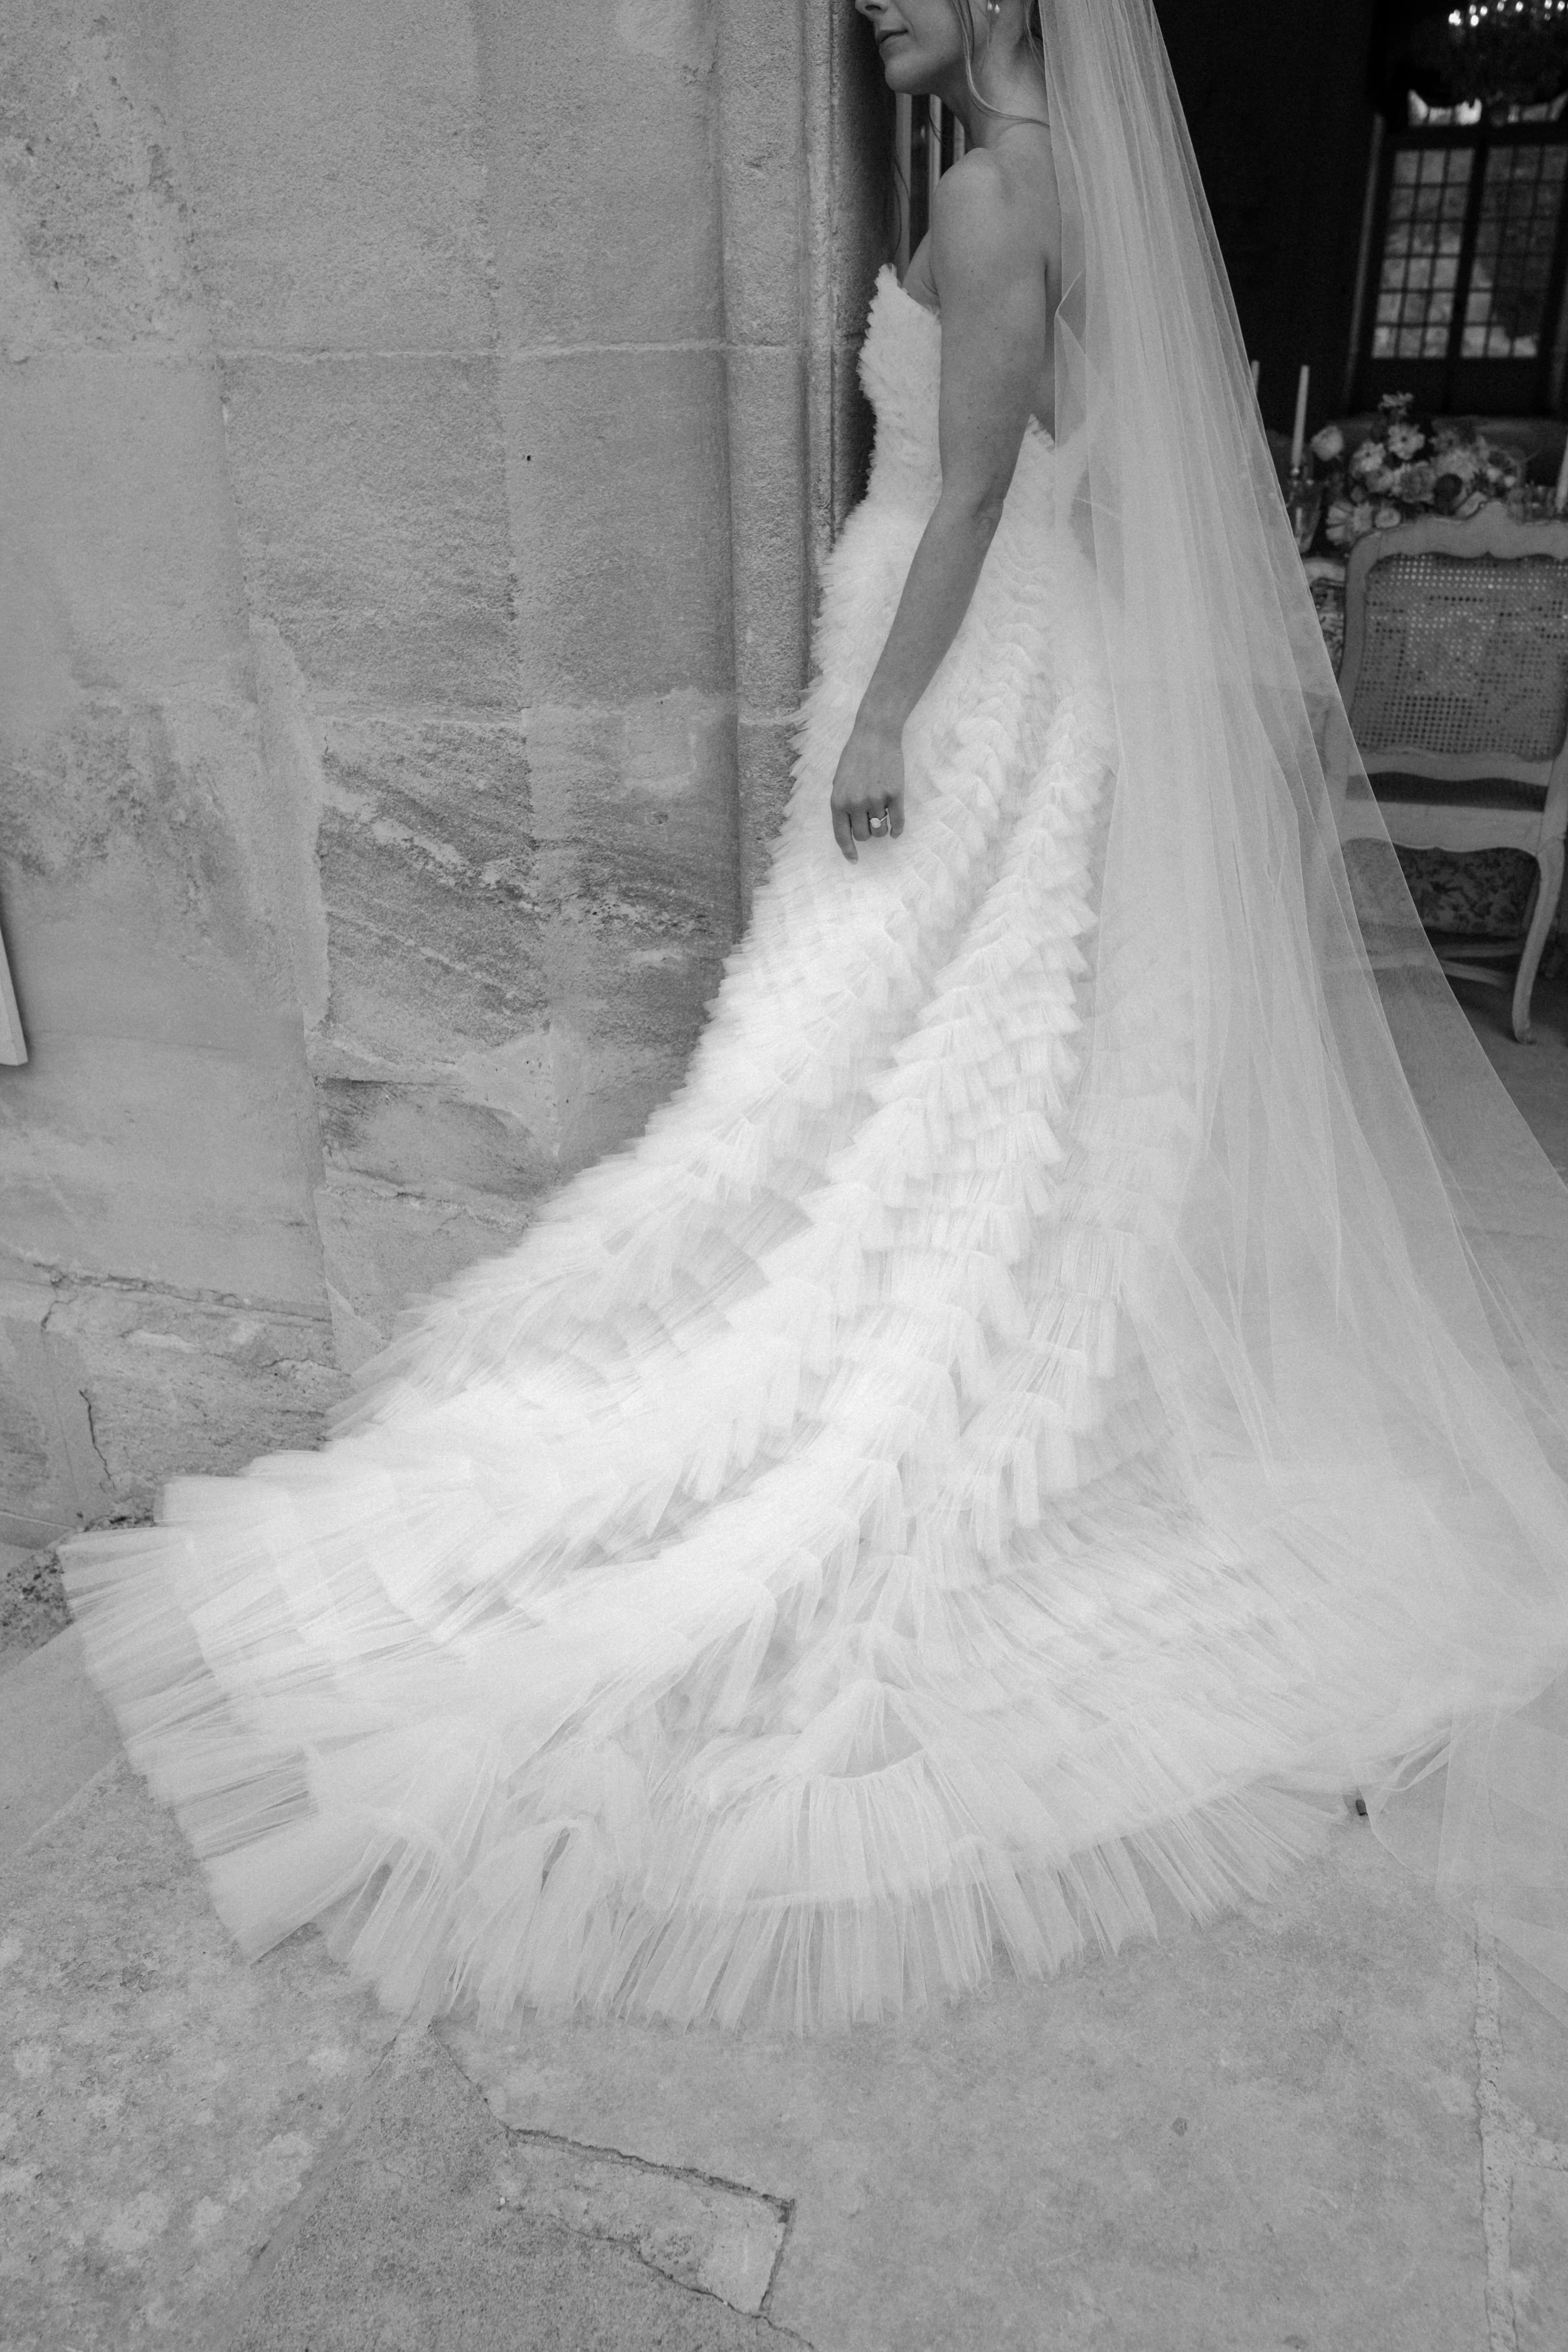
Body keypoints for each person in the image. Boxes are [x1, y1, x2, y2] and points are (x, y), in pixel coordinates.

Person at [62, 1, 1568, 2036]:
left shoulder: (994, 181)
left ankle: (851, 1379)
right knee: (920, 1063)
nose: (872, 5)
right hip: (1001, 666)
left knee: (883, 1063)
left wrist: (880, 715)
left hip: (953, 676)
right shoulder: (1049, 182)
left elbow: (968, 494)